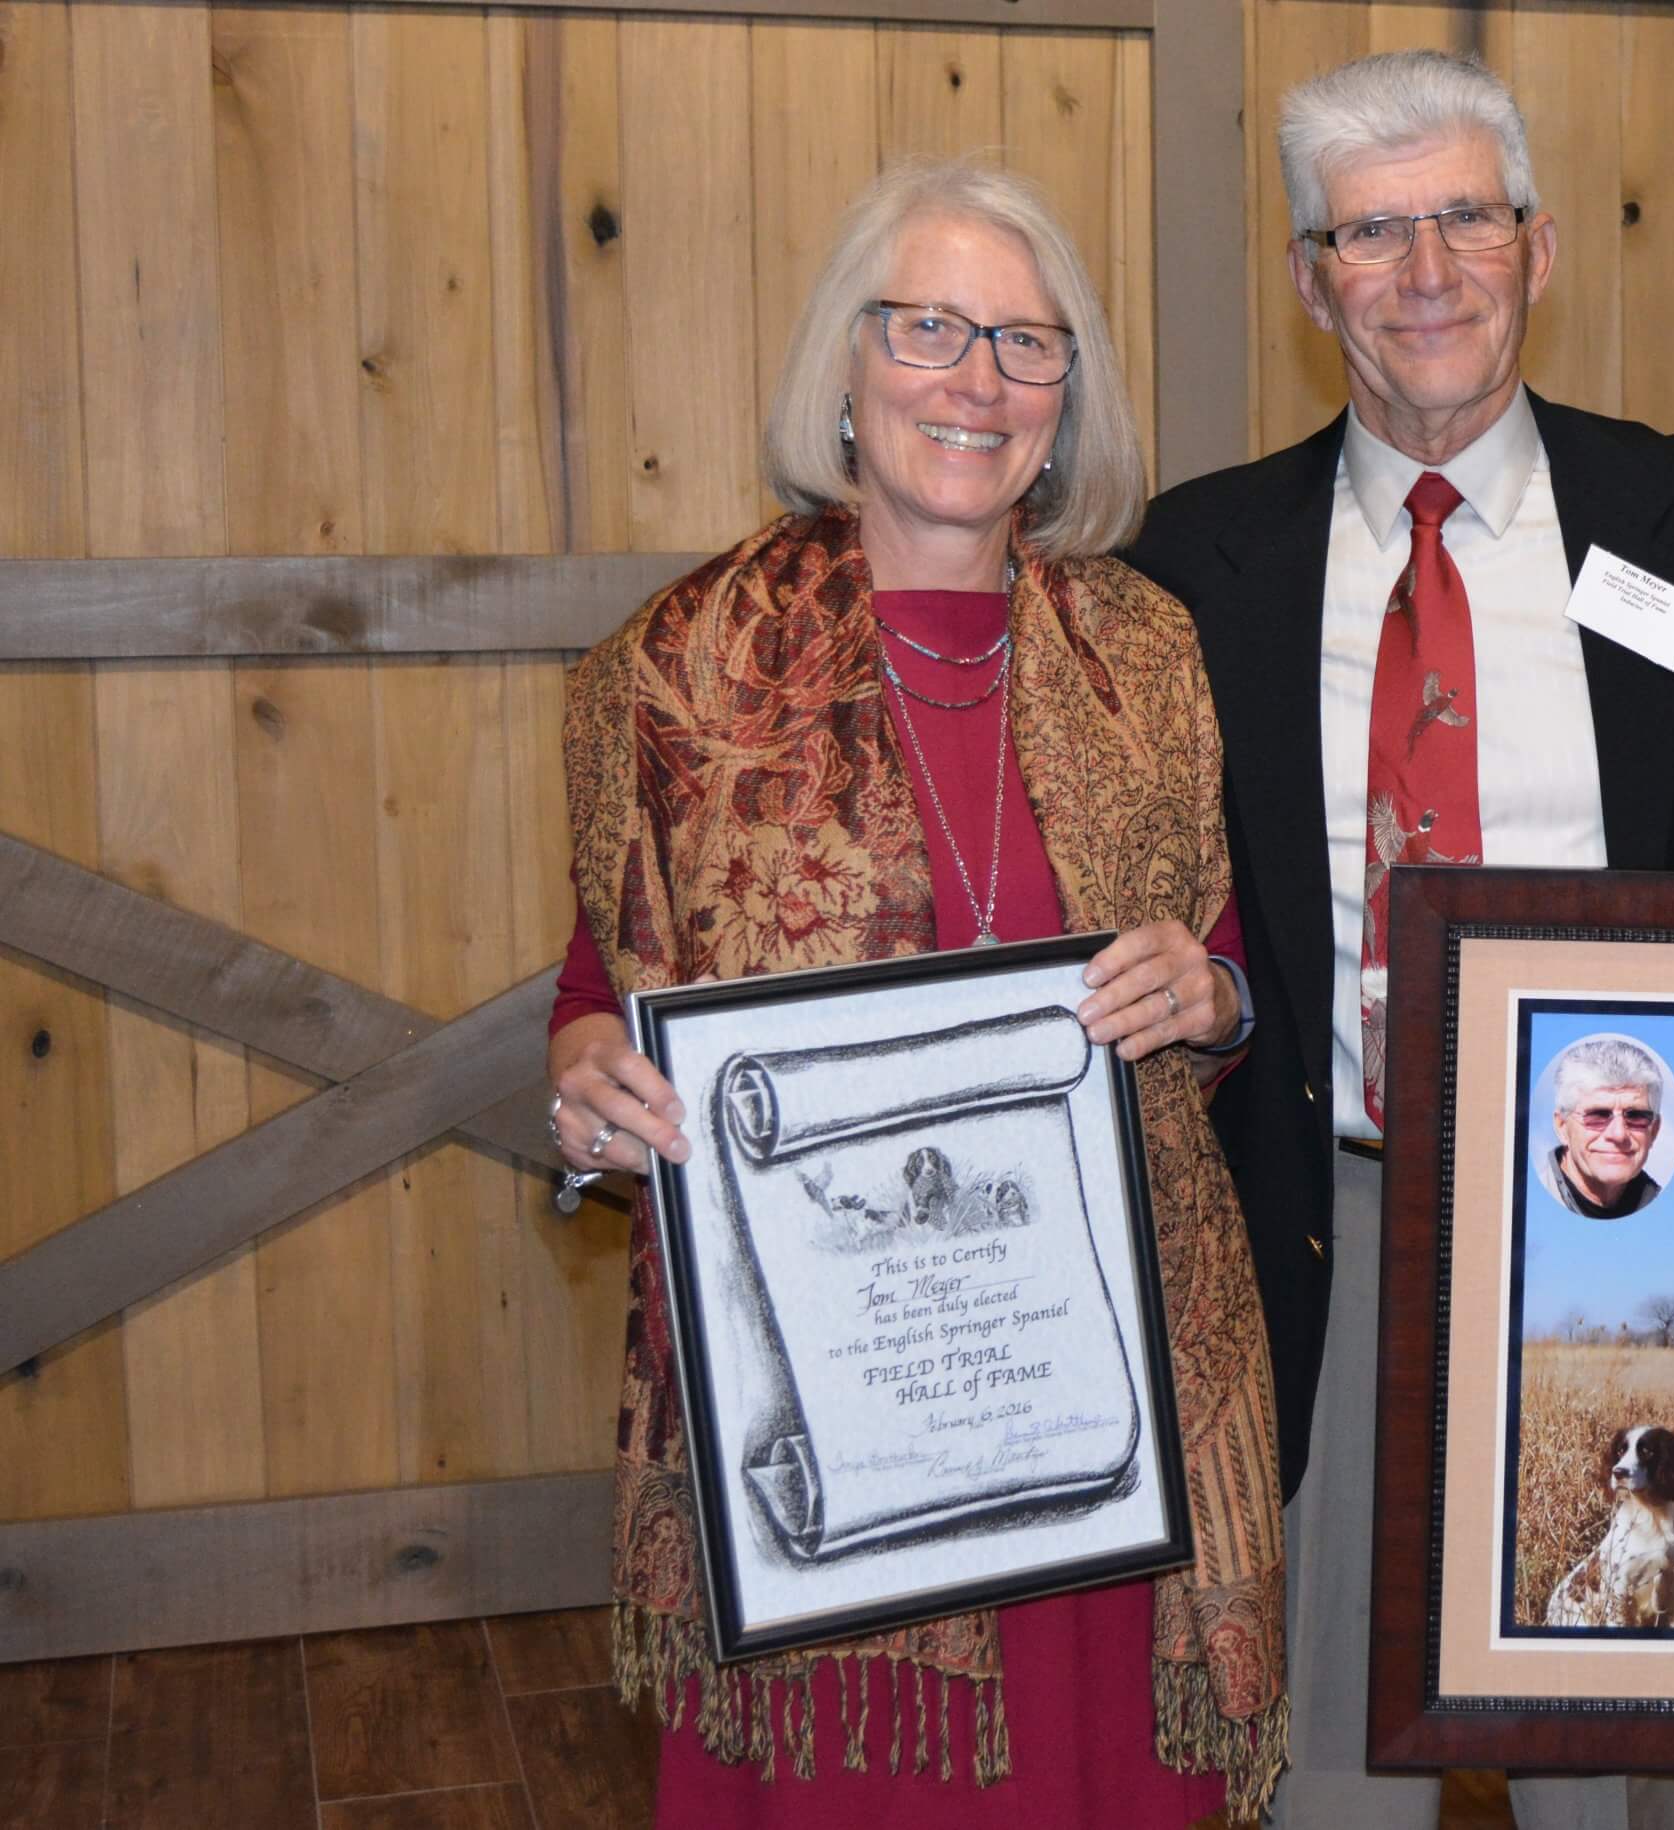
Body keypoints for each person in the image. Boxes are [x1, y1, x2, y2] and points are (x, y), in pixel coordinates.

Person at [1122, 48, 1674, 1830]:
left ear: (1538, 248)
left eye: (1465, 218)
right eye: (1371, 233)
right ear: (1311, 278)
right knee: (1331, 1762)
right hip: (1333, 1213)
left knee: (1607, 1740)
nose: (1426, 271)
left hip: (1611, 1226)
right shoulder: (1197, 561)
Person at [543, 157, 1286, 1826]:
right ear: (847, 364)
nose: (977, 382)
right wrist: (589, 1084)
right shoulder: (677, 671)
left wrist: (1211, 997)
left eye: (1028, 345)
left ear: (1068, 399)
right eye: (929, 328)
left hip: (1095, 1395)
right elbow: (600, 994)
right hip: (837, 1418)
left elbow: (1227, 968)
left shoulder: (1150, 654)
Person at [1535, 1036, 1668, 1218]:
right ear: (1562, 1127)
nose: (1618, 1134)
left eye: (1635, 1116)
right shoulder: (1528, 1206)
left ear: (1654, 1130)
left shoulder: (1670, 1214)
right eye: (1597, 1115)